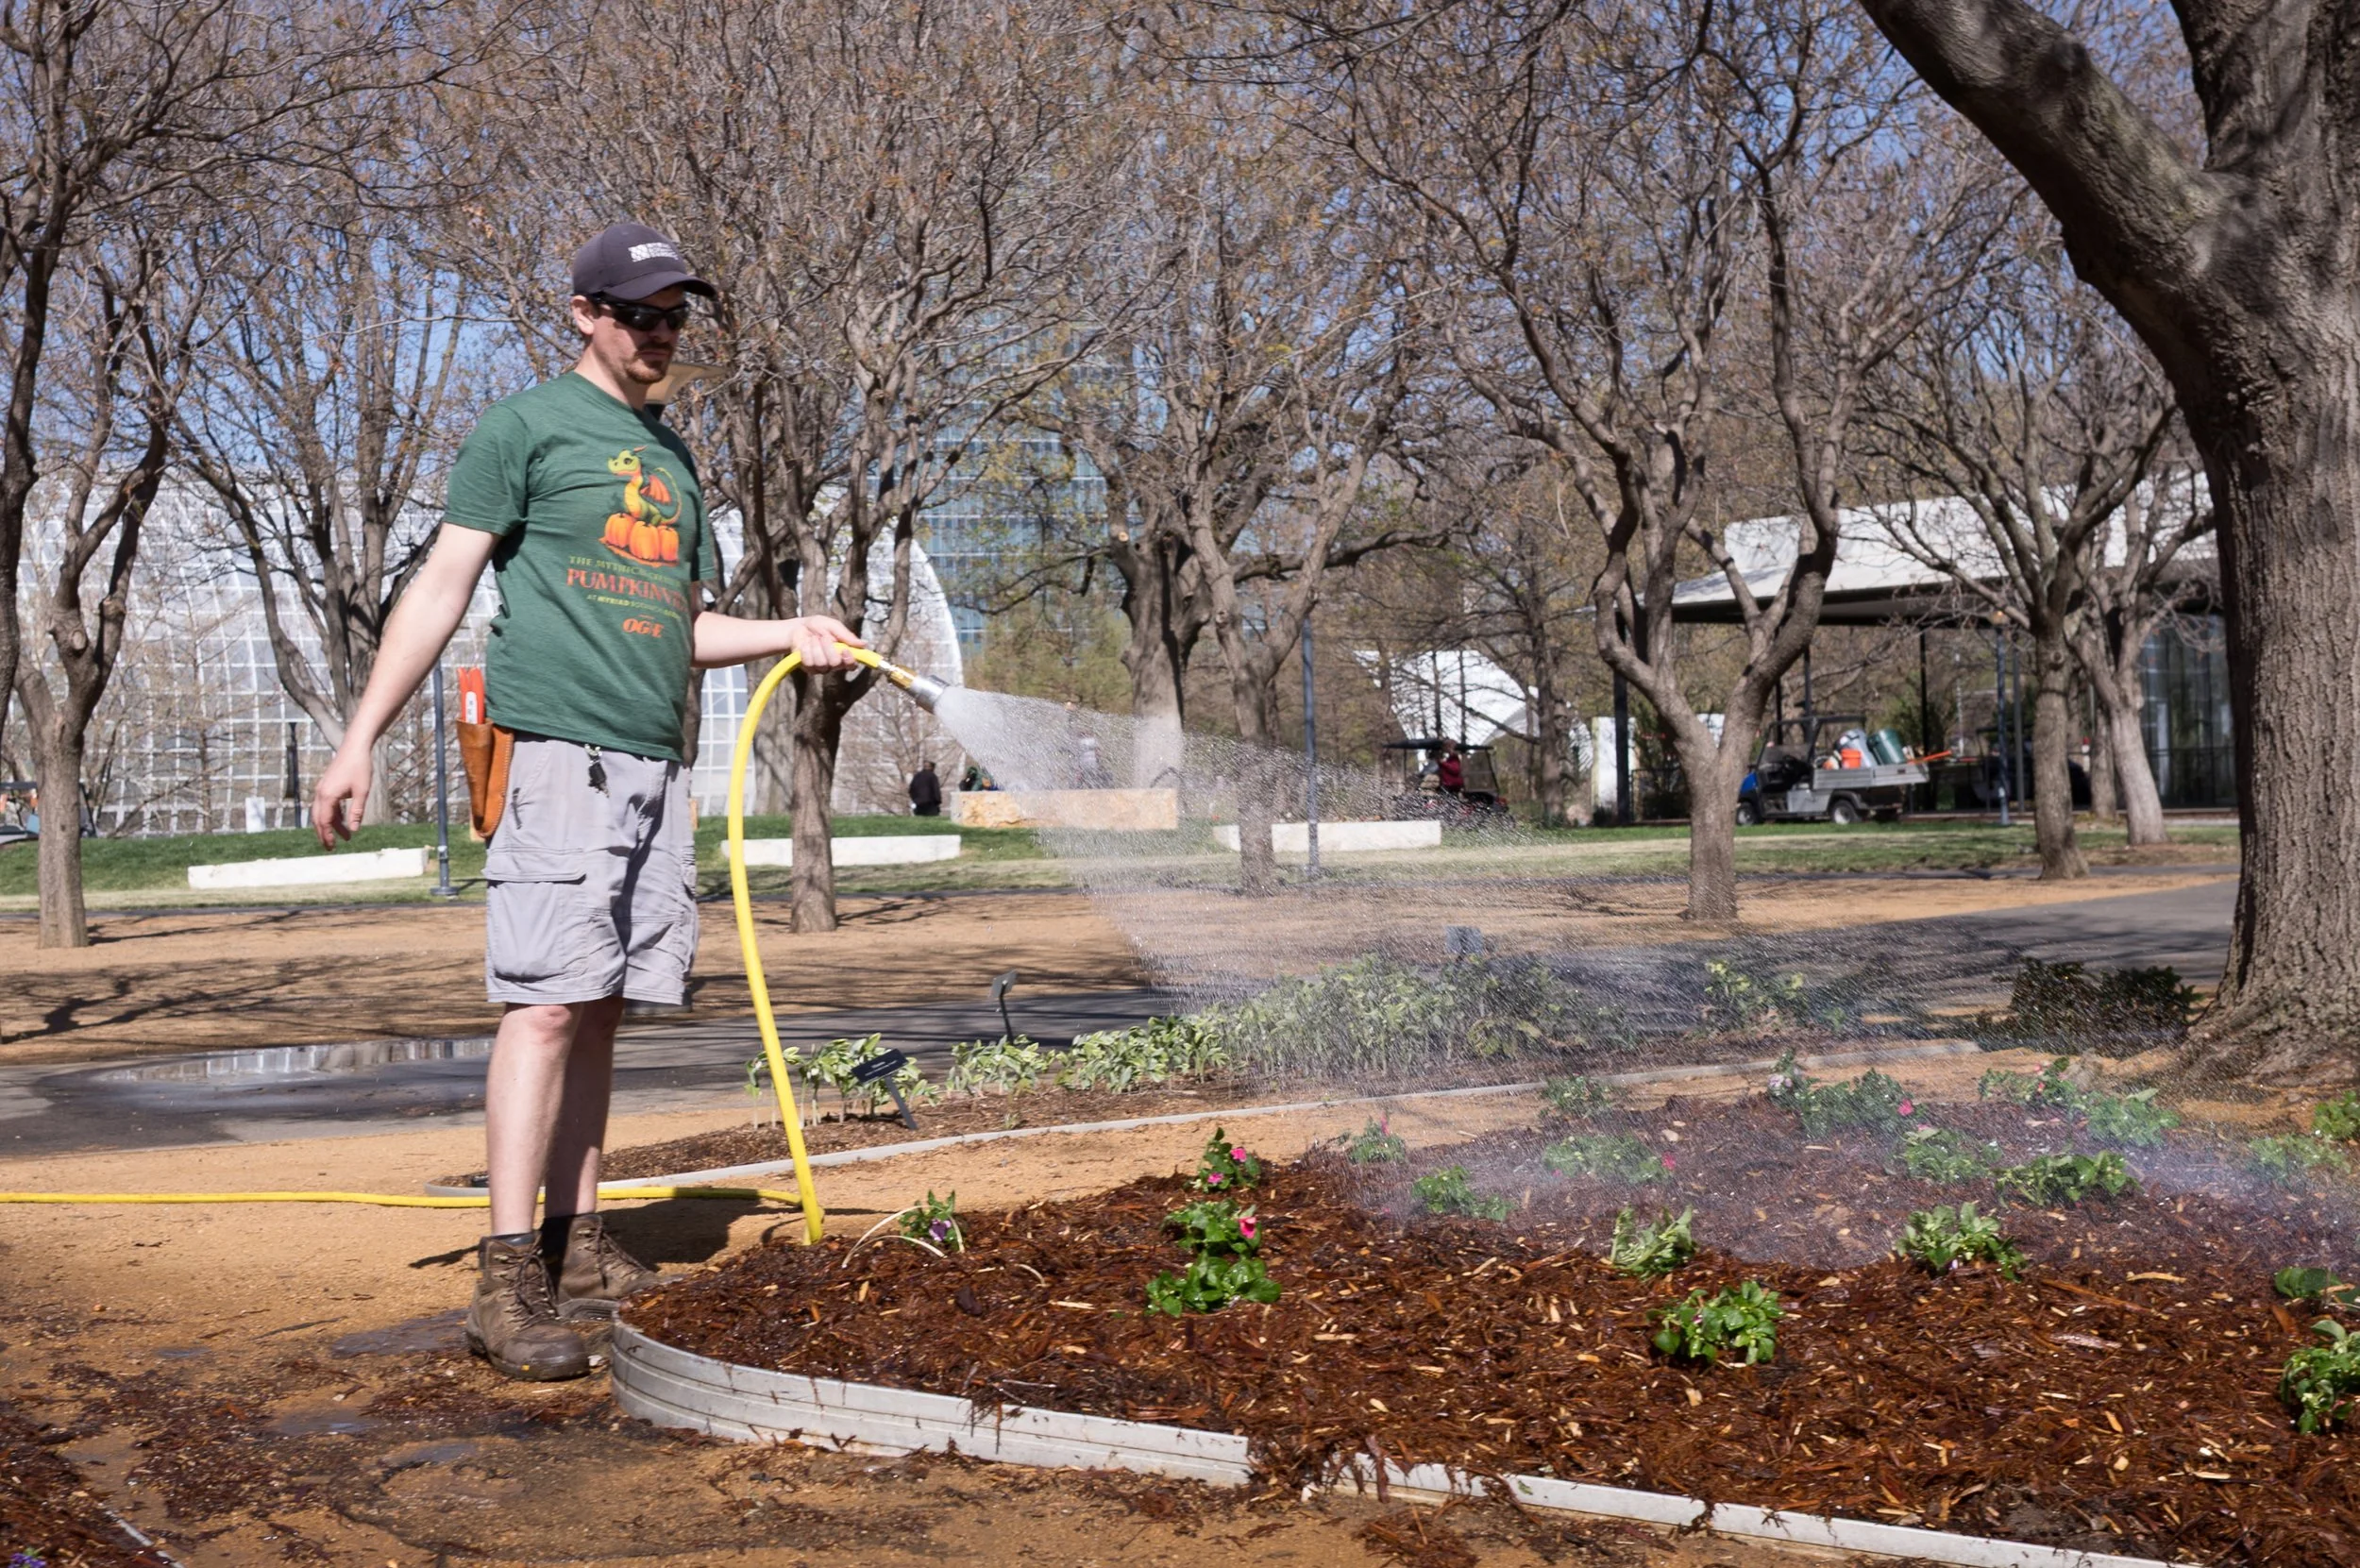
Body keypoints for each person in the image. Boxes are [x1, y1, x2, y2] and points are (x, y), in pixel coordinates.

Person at [311, 223, 862, 1382]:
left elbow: (682, 626)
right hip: (558, 753)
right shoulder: (523, 427)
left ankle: (580, 1242)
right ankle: (506, 1279)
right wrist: (357, 737)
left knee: (604, 1002)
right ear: (583, 313)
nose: (658, 334)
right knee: (546, 1005)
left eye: (673, 317)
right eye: (637, 313)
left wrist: (794, 631)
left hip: (654, 763)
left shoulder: (672, 458)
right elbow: (443, 584)